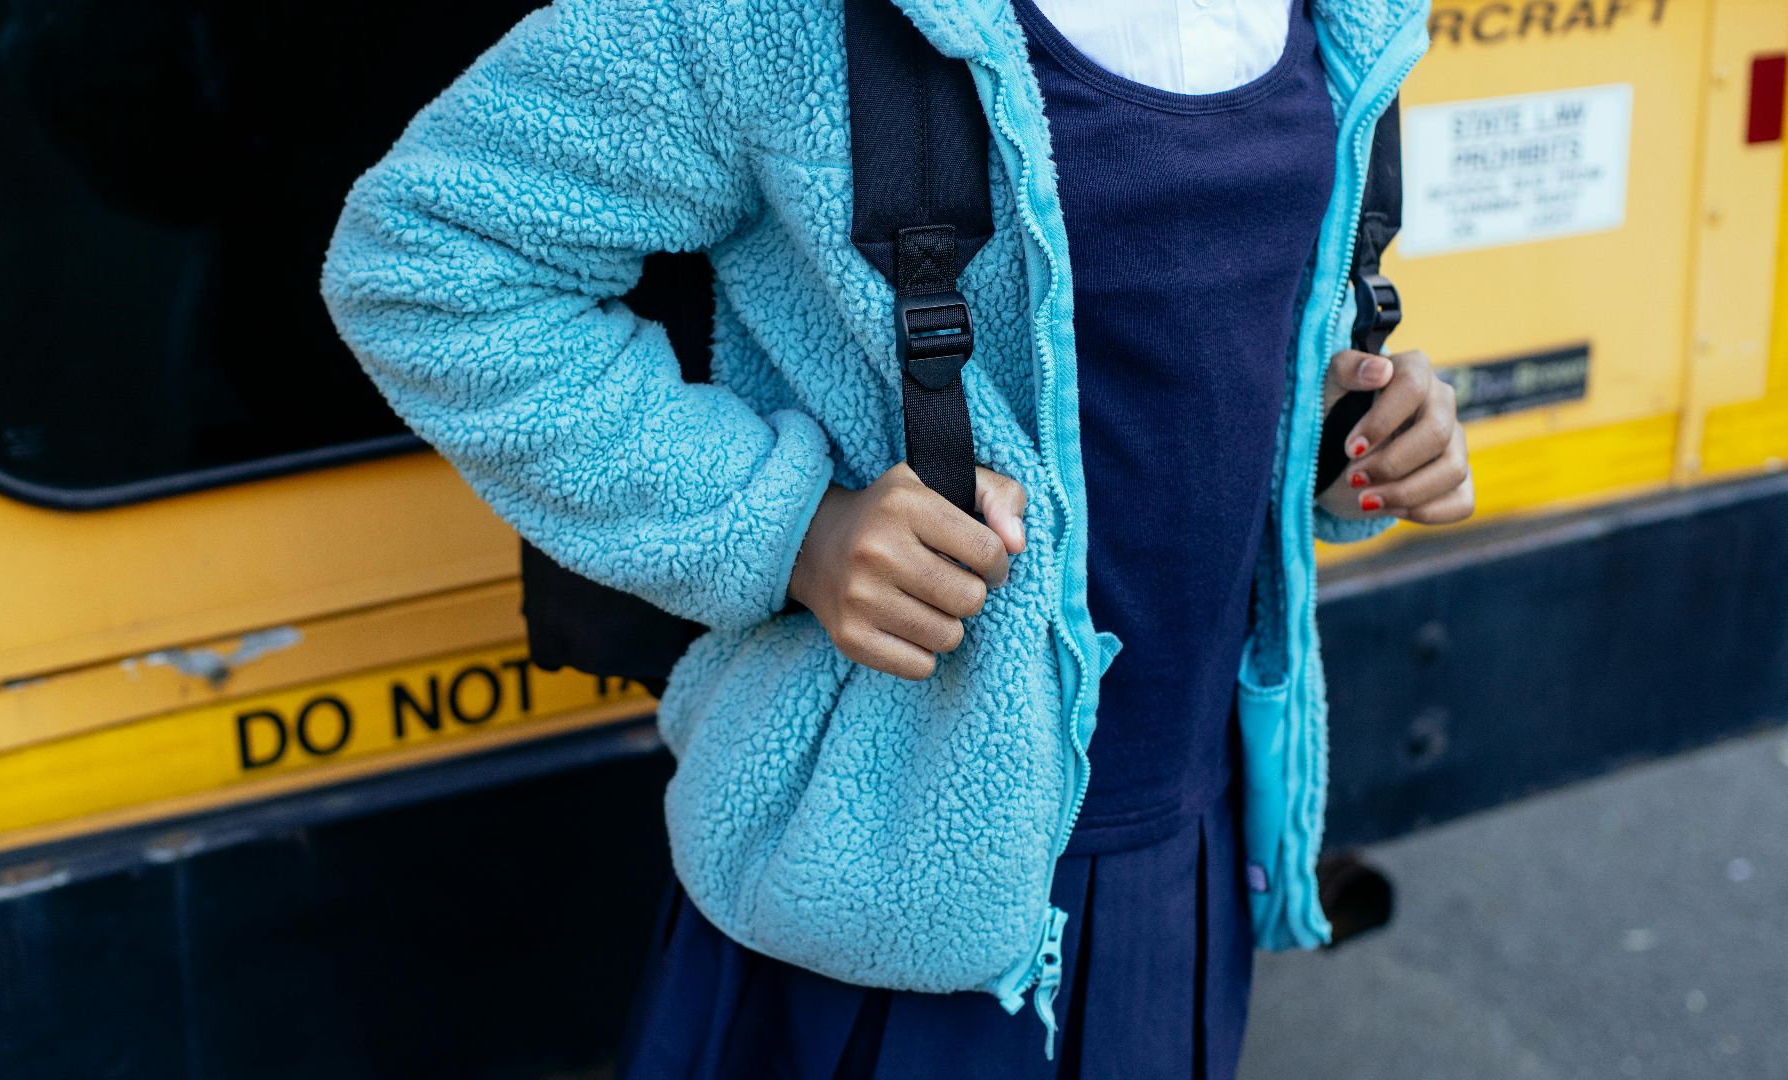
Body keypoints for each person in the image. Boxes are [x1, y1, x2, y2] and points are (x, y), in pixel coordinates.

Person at [320, 0, 1469, 1075]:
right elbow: (426, 252)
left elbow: (1207, 327)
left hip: (1189, 837)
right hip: (884, 875)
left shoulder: (1346, 15)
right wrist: (790, 529)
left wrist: (1343, 438)